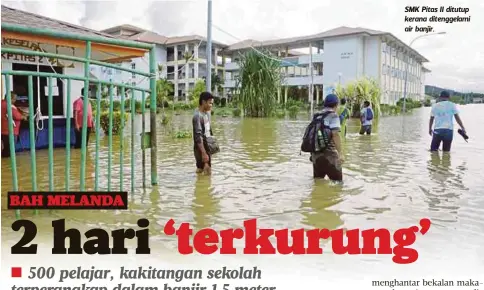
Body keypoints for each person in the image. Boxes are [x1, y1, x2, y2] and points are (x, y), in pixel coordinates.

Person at [311, 94, 344, 182]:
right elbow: (335, 135)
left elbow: (313, 135)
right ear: (336, 105)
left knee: (318, 182)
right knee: (338, 185)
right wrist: (340, 154)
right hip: (330, 155)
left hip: (316, 155)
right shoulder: (333, 115)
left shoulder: (316, 115)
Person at [192, 92, 214, 175]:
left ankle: (200, 183)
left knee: (202, 171)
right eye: (210, 103)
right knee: (206, 173)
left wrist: (212, 147)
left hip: (207, 147)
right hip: (201, 149)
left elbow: (208, 131)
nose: (211, 105)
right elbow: (198, 137)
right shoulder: (197, 116)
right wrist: (204, 153)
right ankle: (201, 186)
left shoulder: (205, 114)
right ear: (204, 102)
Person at [1, 92, 27, 158]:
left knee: (4, 151)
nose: (15, 101)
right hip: (10, 131)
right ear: (10, 98)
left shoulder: (1, 103)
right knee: (9, 153)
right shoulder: (9, 105)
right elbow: (17, 116)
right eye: (14, 99)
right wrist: (24, 116)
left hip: (3, 131)